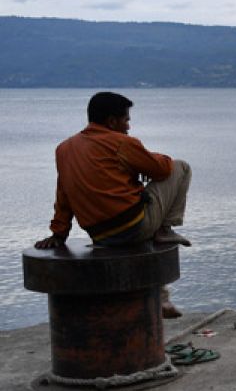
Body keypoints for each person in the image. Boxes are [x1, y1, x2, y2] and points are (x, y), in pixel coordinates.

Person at [34, 91, 192, 317]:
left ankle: (161, 298)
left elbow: (64, 194)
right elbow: (163, 169)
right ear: (112, 121)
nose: (128, 127)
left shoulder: (64, 149)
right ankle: (165, 229)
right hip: (134, 227)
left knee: (136, 214)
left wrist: (59, 233)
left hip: (100, 235)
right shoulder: (121, 142)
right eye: (126, 120)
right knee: (181, 167)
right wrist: (143, 159)